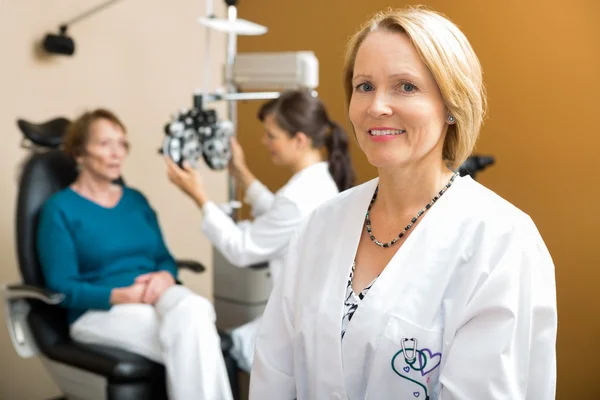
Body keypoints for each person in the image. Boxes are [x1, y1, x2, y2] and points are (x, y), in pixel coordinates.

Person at [250, 7, 557, 400]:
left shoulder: (502, 242)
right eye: (364, 86)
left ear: (450, 105)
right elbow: (274, 376)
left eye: (406, 86)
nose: (376, 106)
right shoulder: (320, 226)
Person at [36, 109, 233, 400]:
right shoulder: (59, 210)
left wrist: (166, 277)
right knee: (193, 339)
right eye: (105, 144)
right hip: (102, 310)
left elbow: (164, 258)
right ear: (79, 153)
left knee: (195, 309)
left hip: (156, 294)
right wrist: (122, 295)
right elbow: (61, 287)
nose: (117, 153)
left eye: (122, 144)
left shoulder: (135, 200)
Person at [165, 89, 356, 372]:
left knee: (219, 350)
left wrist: (199, 197)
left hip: (301, 326)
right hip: (314, 316)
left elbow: (242, 250)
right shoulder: (319, 182)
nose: (264, 142)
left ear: (299, 140)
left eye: (271, 136)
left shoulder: (297, 198)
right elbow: (281, 215)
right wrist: (241, 173)